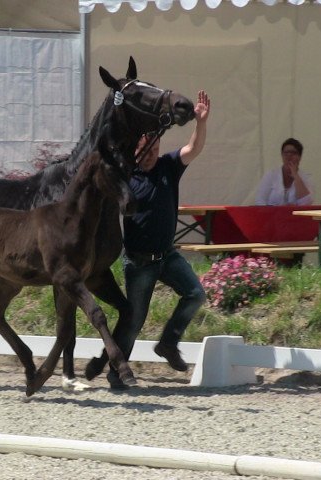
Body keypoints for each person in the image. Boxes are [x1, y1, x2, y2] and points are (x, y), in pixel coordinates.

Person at [103, 90, 210, 389]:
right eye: (145, 149)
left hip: (167, 256)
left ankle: (168, 343)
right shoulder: (126, 176)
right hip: (138, 262)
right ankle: (116, 372)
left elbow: (194, 148)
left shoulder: (168, 166)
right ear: (136, 148)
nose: (151, 153)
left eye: (155, 148)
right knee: (134, 320)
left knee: (196, 294)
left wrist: (199, 122)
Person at [255, 138, 313, 206]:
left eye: (293, 153)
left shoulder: (306, 178)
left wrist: (296, 176)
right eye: (286, 153)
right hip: (271, 215)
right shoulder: (271, 175)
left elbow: (306, 203)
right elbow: (260, 201)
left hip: (294, 216)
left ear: (299, 157)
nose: (289, 156)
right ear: (282, 155)